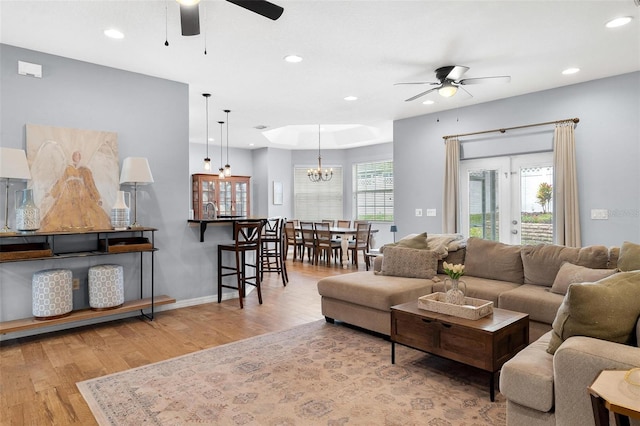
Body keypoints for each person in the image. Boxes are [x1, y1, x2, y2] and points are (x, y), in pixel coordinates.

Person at [40, 151, 111, 231]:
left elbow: (90, 184)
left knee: (85, 212)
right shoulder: (68, 168)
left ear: (80, 157)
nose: (75, 157)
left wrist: (97, 198)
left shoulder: (85, 169)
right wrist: (51, 193)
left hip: (81, 194)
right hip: (67, 194)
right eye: (74, 155)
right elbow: (61, 181)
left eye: (77, 156)